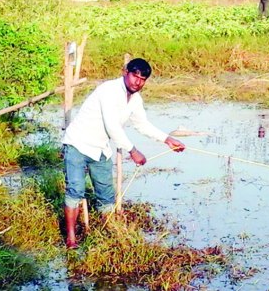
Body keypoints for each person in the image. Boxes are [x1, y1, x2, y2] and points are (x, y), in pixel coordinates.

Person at [62, 58, 185, 249]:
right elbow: (112, 127)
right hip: (78, 143)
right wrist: (133, 151)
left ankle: (109, 230)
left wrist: (167, 139)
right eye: (135, 76)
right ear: (125, 72)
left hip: (100, 148)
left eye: (142, 79)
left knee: (106, 195)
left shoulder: (135, 100)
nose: (138, 82)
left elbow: (142, 124)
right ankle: (71, 238)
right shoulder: (108, 90)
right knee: (75, 190)